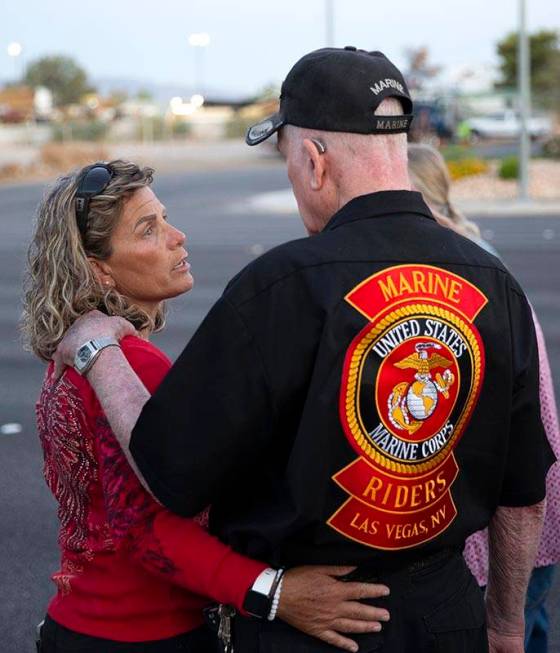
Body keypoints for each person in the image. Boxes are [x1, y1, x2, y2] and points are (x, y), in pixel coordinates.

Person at [53, 48, 555, 653]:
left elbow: (169, 472)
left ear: (315, 162)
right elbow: (524, 496)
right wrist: (504, 626)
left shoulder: (280, 287)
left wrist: (97, 351)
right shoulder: (495, 283)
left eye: (290, 161)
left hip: (311, 623)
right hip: (448, 612)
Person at [22, 159, 392, 653]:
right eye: (148, 230)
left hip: (80, 622)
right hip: (144, 635)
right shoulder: (124, 367)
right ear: (99, 269)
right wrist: (273, 593)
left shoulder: (80, 354)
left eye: (165, 218)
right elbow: (148, 529)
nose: (177, 237)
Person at [408, 142, 560, 653]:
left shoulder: (448, 272)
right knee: (528, 626)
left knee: (505, 629)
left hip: (504, 520)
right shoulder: (476, 252)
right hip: (533, 498)